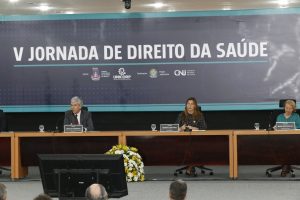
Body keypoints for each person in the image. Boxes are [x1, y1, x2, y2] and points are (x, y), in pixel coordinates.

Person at [275, 99, 300, 177]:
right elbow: (278, 127)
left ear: (293, 109)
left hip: (294, 139)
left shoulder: (296, 116)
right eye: (287, 108)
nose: (288, 110)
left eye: (290, 108)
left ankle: (285, 167)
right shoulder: (279, 116)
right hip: (281, 139)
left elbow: (299, 126)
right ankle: (286, 166)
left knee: (287, 146)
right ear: (284, 108)